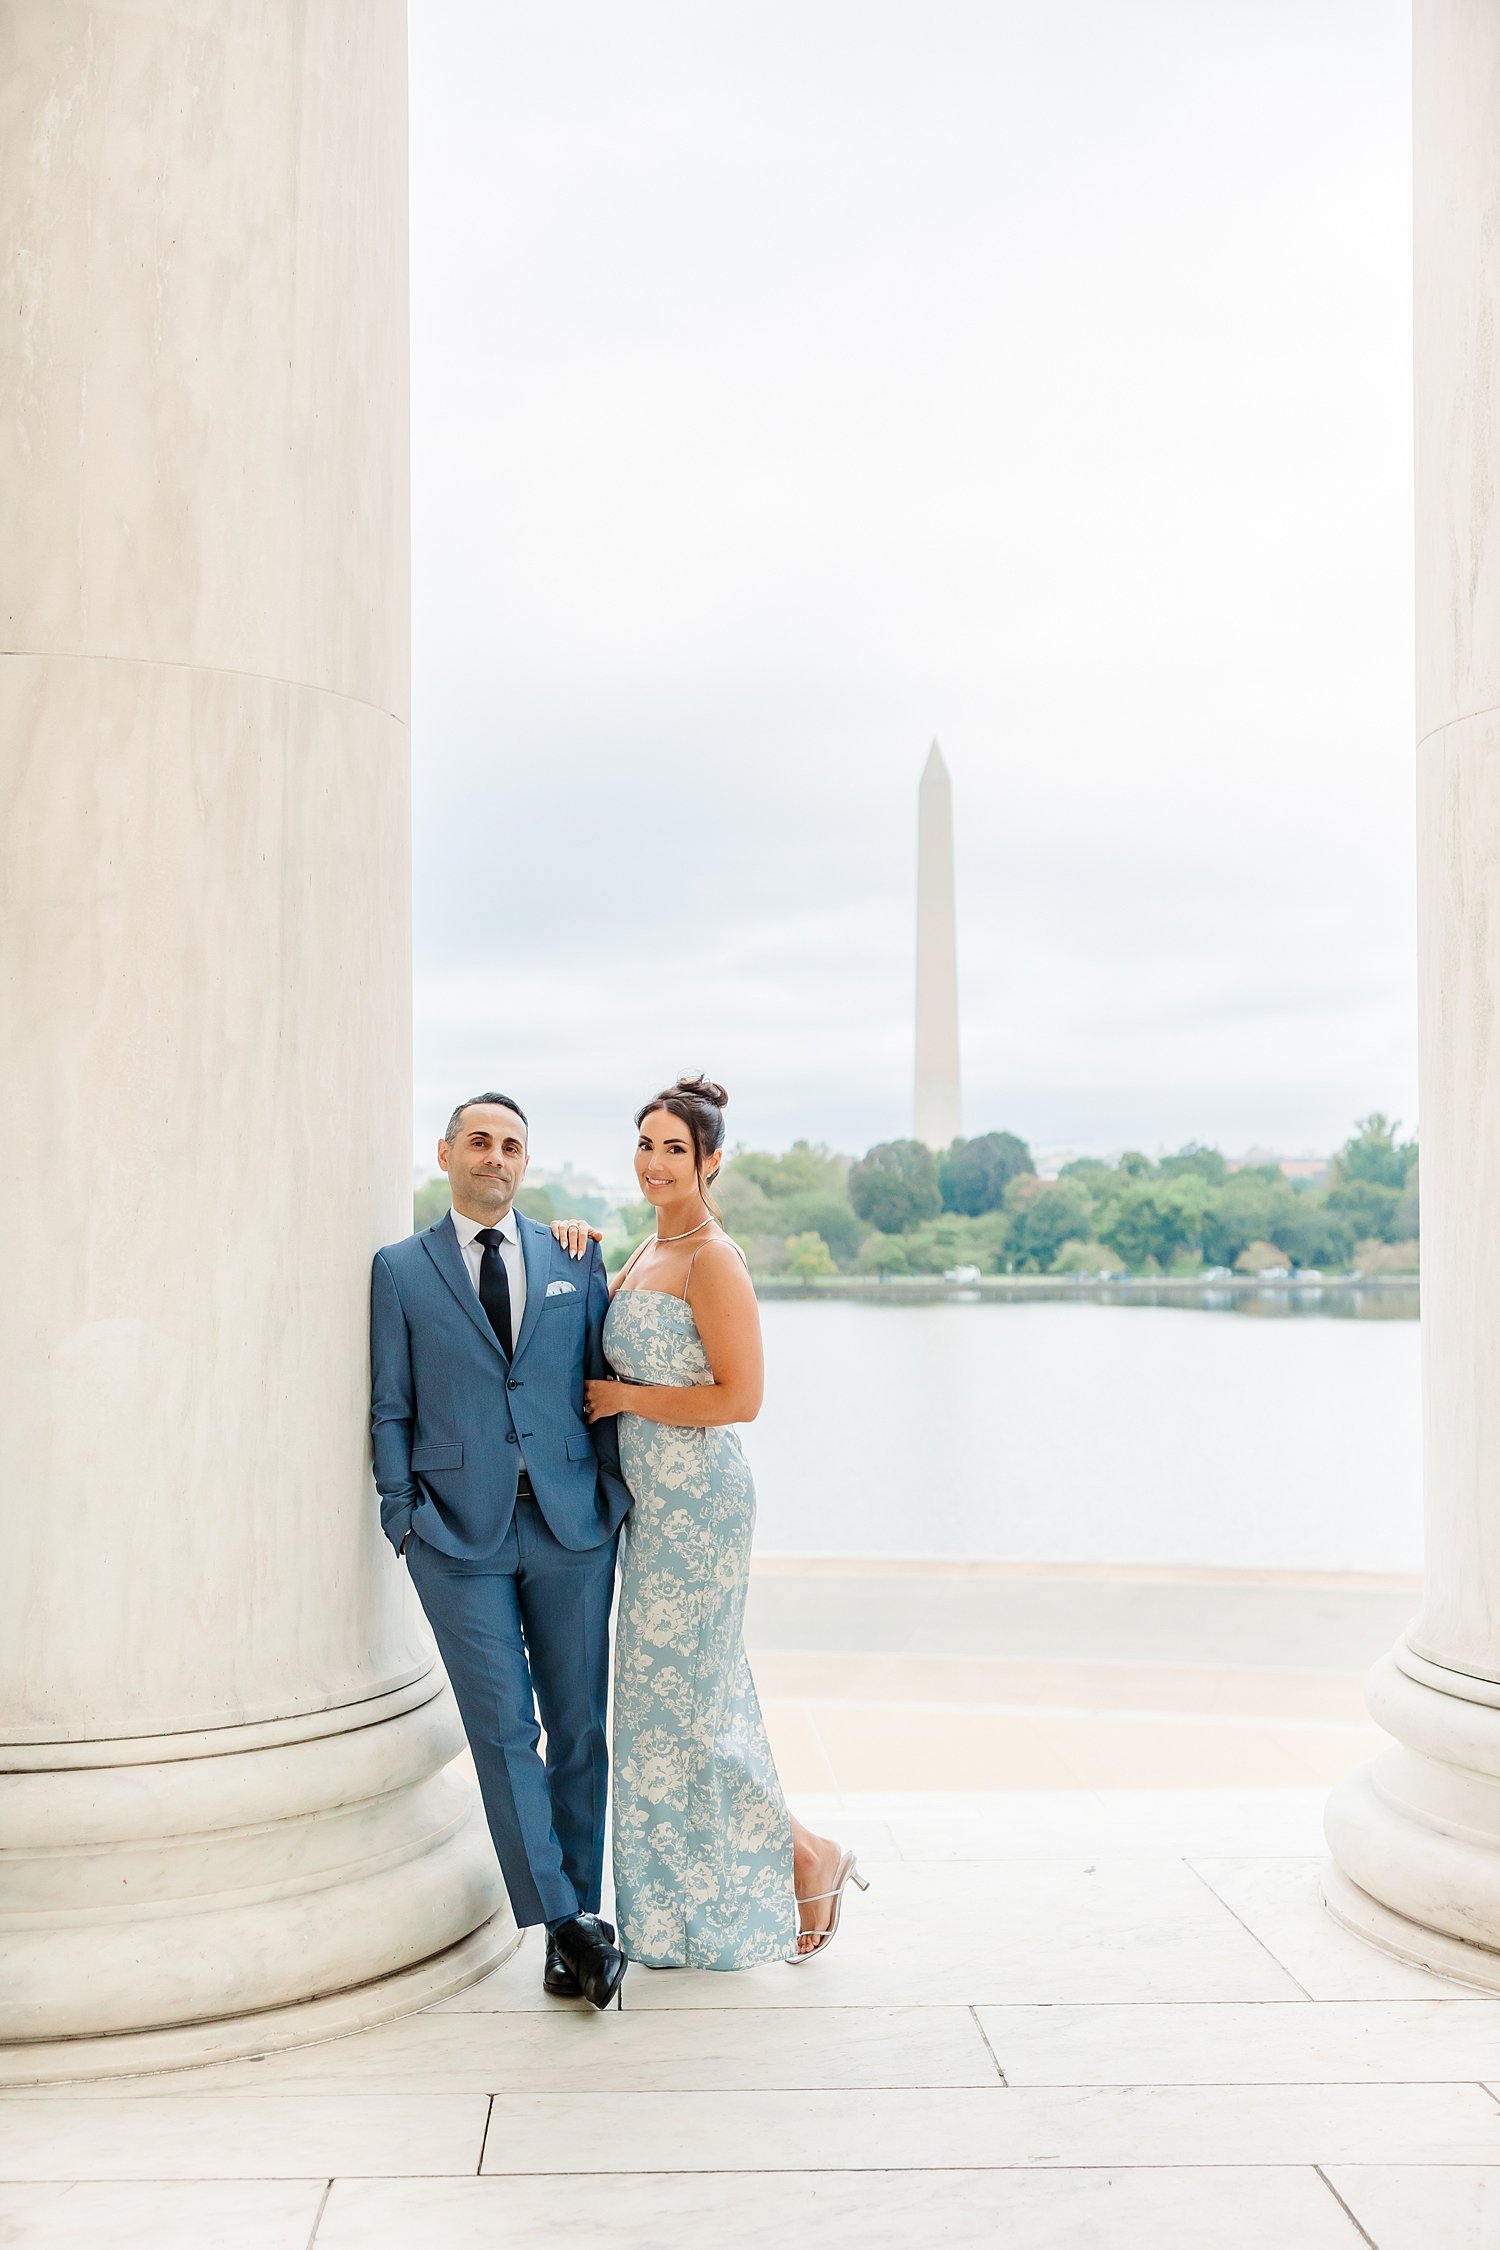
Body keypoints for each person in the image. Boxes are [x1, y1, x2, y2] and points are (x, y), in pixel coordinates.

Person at [583, 1074, 866, 1968]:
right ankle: (672, 1916)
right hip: (651, 1510)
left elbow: (741, 1398)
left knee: (693, 1715)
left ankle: (807, 1852)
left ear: (711, 1163)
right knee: (661, 1718)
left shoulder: (713, 1259)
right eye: (646, 1145)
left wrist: (623, 1395)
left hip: (700, 1507)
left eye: (676, 1149)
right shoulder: (642, 1251)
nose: (657, 1162)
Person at [369, 1093, 632, 2010]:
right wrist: (402, 1517)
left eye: (512, 1144)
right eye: (478, 1140)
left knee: (578, 1729)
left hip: (571, 1526)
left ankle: (574, 1925)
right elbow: (391, 1405)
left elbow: (600, 1382)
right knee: (503, 1733)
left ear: (527, 1162)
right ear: (446, 1153)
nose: (495, 1156)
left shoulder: (576, 1256)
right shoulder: (400, 1270)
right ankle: (568, 1923)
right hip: (455, 1535)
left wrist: (610, 1497)